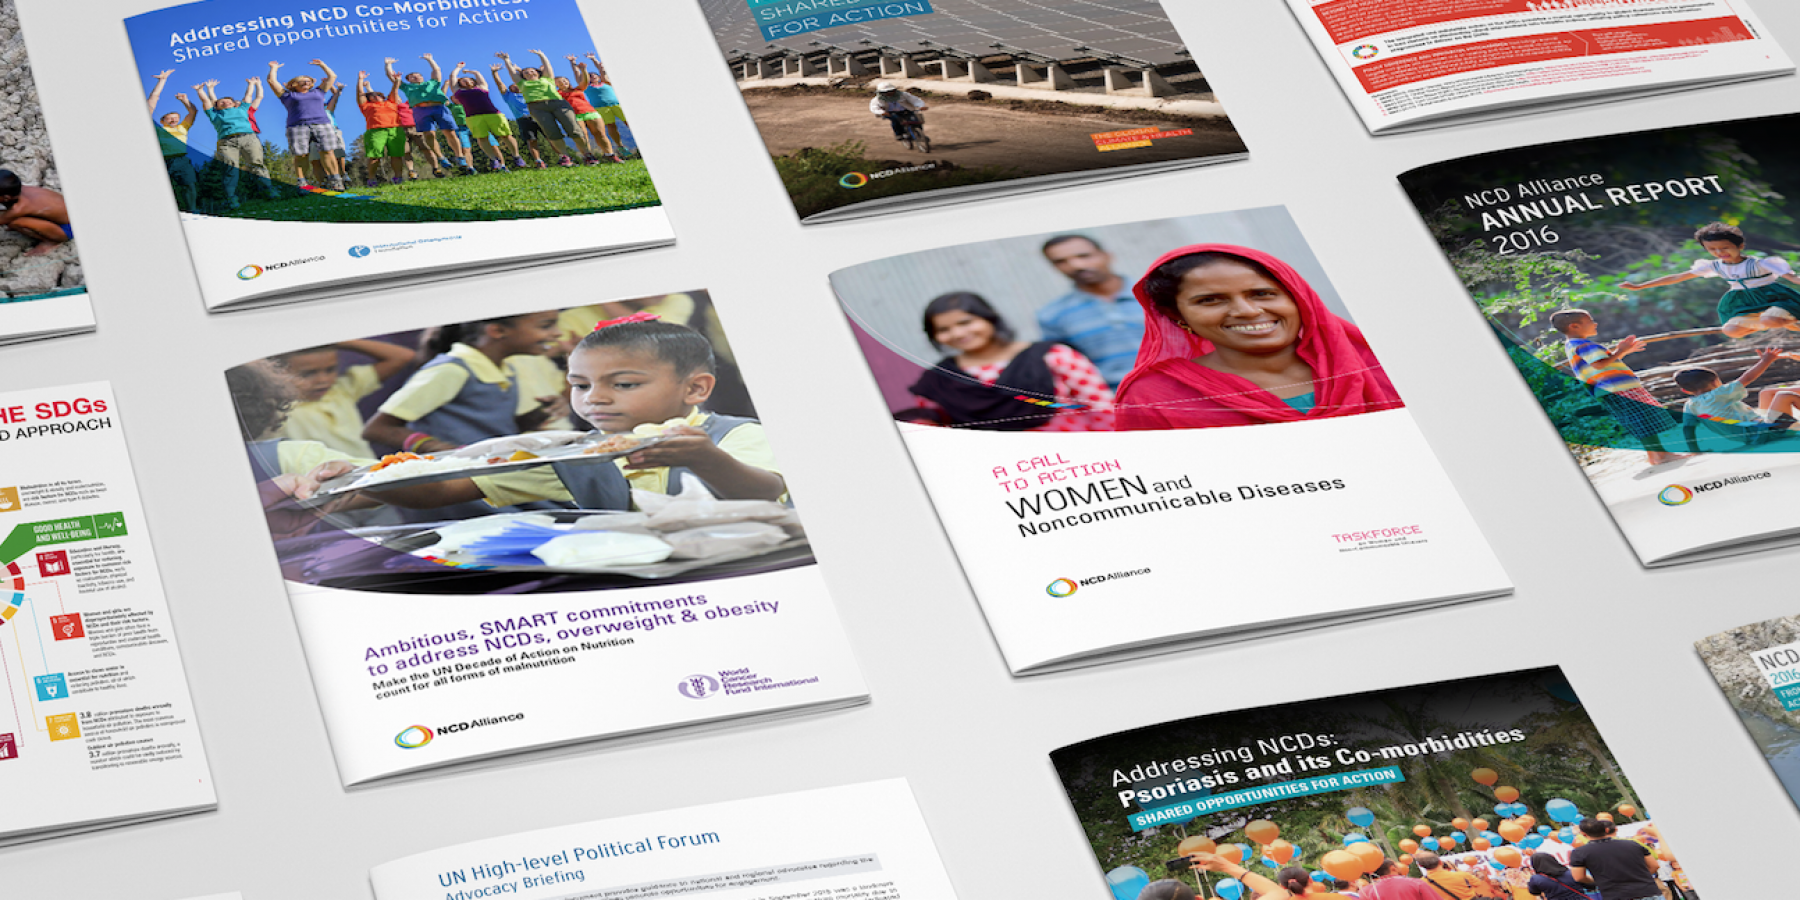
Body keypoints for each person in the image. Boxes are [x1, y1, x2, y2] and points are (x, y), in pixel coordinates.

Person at [335, 316, 788, 513]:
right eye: (580, 385)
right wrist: (358, 479)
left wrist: (708, 459)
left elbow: (768, 490)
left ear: (695, 388)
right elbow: (441, 491)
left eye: (624, 384)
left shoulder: (733, 436)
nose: (595, 399)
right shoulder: (574, 458)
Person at [1114, 244, 1403, 430]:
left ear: (1298, 297)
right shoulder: (1152, 397)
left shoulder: (1381, 360)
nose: (1248, 311)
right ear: (1177, 316)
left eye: (1263, 294)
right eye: (1211, 300)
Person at [906, 291, 1114, 431]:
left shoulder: (1054, 356)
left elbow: (1101, 407)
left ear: (990, 318)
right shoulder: (937, 380)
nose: (958, 333)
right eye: (943, 330)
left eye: (966, 322)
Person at [362, 311, 566, 454]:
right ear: (497, 331)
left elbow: (487, 429)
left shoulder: (504, 370)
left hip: (488, 473)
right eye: (546, 326)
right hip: (460, 482)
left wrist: (534, 417)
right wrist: (447, 452)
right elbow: (377, 429)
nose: (558, 333)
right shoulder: (451, 370)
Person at [1547, 309, 1686, 466]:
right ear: (1574, 326)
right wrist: (1621, 350)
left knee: (1638, 420)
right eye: (1590, 321)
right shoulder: (1583, 344)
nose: (1595, 323)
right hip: (1618, 388)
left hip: (1610, 389)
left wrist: (1621, 352)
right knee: (1643, 419)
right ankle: (1661, 455)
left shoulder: (1573, 345)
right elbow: (1599, 364)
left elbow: (1602, 362)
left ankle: (1654, 455)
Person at [1622, 222, 1800, 339]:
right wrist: (1641, 286)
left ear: (1740, 246)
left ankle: (1791, 322)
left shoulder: (1761, 263)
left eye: (1725, 247)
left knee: (1771, 320)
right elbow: (1678, 277)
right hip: (1742, 302)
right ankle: (1786, 321)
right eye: (1712, 249)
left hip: (1773, 298)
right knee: (1731, 331)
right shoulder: (1714, 266)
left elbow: (1792, 278)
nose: (1719, 252)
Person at [272, 339, 416, 458]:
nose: (323, 379)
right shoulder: (273, 408)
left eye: (330, 370)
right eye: (308, 374)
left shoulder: (343, 390)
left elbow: (403, 356)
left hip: (367, 475)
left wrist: (339, 340)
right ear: (276, 374)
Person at [1036, 234, 1144, 388]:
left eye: (1084, 256)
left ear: (1107, 256)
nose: (1076, 265)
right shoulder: (1051, 315)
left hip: (1181, 388)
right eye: (1061, 261)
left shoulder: (1158, 294)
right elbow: (1067, 369)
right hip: (1119, 400)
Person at [1675, 348, 1800, 443]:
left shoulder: (1690, 405)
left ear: (1685, 391)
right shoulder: (1718, 394)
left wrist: (1694, 450)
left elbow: (1688, 429)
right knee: (1784, 395)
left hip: (1753, 433)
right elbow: (1748, 377)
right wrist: (1766, 360)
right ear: (1715, 382)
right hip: (1764, 433)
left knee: (1766, 393)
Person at [194, 79, 279, 209]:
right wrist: (200, 90)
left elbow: (248, 96)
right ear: (216, 105)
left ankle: (269, 190)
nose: (226, 102)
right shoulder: (214, 114)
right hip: (226, 142)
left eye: (229, 101)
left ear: (235, 104)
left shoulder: (243, 108)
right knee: (230, 168)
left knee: (256, 163)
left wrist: (251, 84)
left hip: (248, 138)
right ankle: (231, 198)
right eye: (222, 101)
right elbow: (206, 101)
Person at [497, 49, 590, 167]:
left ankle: (587, 154)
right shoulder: (521, 83)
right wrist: (507, 60)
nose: (529, 73)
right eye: (525, 72)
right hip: (537, 107)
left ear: (538, 72)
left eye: (532, 71)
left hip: (558, 103)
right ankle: (565, 157)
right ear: (522, 76)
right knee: (552, 132)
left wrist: (541, 55)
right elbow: (512, 72)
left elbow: (548, 66)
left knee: (573, 128)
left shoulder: (547, 78)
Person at [266, 59, 346, 191]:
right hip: (297, 126)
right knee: (301, 155)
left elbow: (332, 77)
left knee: (328, 151)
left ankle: (336, 181)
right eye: (301, 81)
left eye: (308, 81)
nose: (305, 82)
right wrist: (273, 68)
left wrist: (322, 65)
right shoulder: (287, 95)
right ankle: (303, 184)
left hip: (322, 124)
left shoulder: (318, 92)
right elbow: (271, 81)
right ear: (293, 85)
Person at [388, 53, 465, 175]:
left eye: (418, 75)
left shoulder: (433, 83)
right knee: (429, 134)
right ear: (408, 80)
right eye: (412, 77)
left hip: (439, 108)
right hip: (420, 110)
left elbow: (437, 70)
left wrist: (430, 60)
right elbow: (392, 77)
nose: (416, 77)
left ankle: (460, 156)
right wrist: (388, 65)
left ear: (423, 77)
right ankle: (441, 157)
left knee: (449, 133)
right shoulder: (407, 88)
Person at [449, 62, 523, 172]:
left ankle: (516, 156)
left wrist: (470, 72)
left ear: (474, 81)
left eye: (469, 79)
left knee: (506, 135)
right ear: (460, 83)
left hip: (493, 114)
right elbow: (452, 77)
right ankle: (493, 160)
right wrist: (458, 68)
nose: (467, 81)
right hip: (473, 117)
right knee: (482, 138)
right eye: (463, 80)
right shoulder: (458, 91)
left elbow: (478, 74)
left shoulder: (482, 87)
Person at [1569, 818, 1661, 900]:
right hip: (1647, 891)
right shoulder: (1632, 844)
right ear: (1606, 829)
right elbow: (1654, 865)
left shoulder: (1580, 853)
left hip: (1616, 894)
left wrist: (1597, 881)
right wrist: (1640, 876)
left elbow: (1579, 877)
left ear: (1584, 834)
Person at [147, 69, 199, 211]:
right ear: (162, 120)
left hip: (182, 160)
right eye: (170, 117)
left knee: (189, 184)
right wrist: (162, 81)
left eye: (176, 117)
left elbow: (193, 112)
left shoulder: (183, 127)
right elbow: (151, 103)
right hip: (162, 160)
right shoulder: (157, 129)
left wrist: (185, 100)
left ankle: (192, 209)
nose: (174, 119)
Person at [563, 57, 624, 163]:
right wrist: (573, 64)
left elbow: (598, 72)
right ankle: (589, 156)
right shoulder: (583, 87)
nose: (593, 77)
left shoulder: (598, 83)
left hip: (598, 110)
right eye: (559, 82)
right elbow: (578, 75)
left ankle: (610, 154)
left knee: (602, 133)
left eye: (564, 81)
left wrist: (589, 64)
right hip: (584, 112)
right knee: (585, 134)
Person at [0, 170, 72, 257]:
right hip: (68, 213)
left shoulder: (19, 208)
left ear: (6, 198)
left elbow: (2, 220)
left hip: (68, 228)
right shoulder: (17, 189)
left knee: (14, 222)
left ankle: (52, 241)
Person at [355, 70, 408, 186]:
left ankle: (398, 178)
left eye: (378, 95)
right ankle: (372, 179)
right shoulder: (367, 106)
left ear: (382, 96)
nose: (375, 96)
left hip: (395, 130)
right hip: (375, 131)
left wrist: (397, 80)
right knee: (374, 156)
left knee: (397, 155)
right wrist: (360, 80)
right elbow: (360, 94)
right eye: (372, 96)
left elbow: (394, 90)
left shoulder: (391, 102)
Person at [493, 64, 547, 168]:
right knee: (531, 140)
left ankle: (562, 156)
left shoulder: (528, 90)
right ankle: (538, 161)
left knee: (550, 137)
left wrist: (518, 69)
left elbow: (527, 77)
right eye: (511, 86)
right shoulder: (508, 96)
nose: (514, 86)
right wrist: (495, 73)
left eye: (516, 84)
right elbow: (499, 84)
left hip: (538, 116)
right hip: (523, 119)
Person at [584, 52, 634, 157]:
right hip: (601, 108)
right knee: (611, 126)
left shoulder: (606, 82)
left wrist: (594, 59)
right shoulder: (587, 87)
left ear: (598, 77)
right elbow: (581, 76)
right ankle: (620, 146)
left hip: (617, 104)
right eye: (590, 76)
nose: (592, 76)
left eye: (594, 75)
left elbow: (602, 71)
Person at [1415, 852, 1498, 899]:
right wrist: (1455, 868)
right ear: (1440, 862)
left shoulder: (1422, 883)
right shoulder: (1461, 875)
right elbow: (1478, 883)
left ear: (1420, 865)